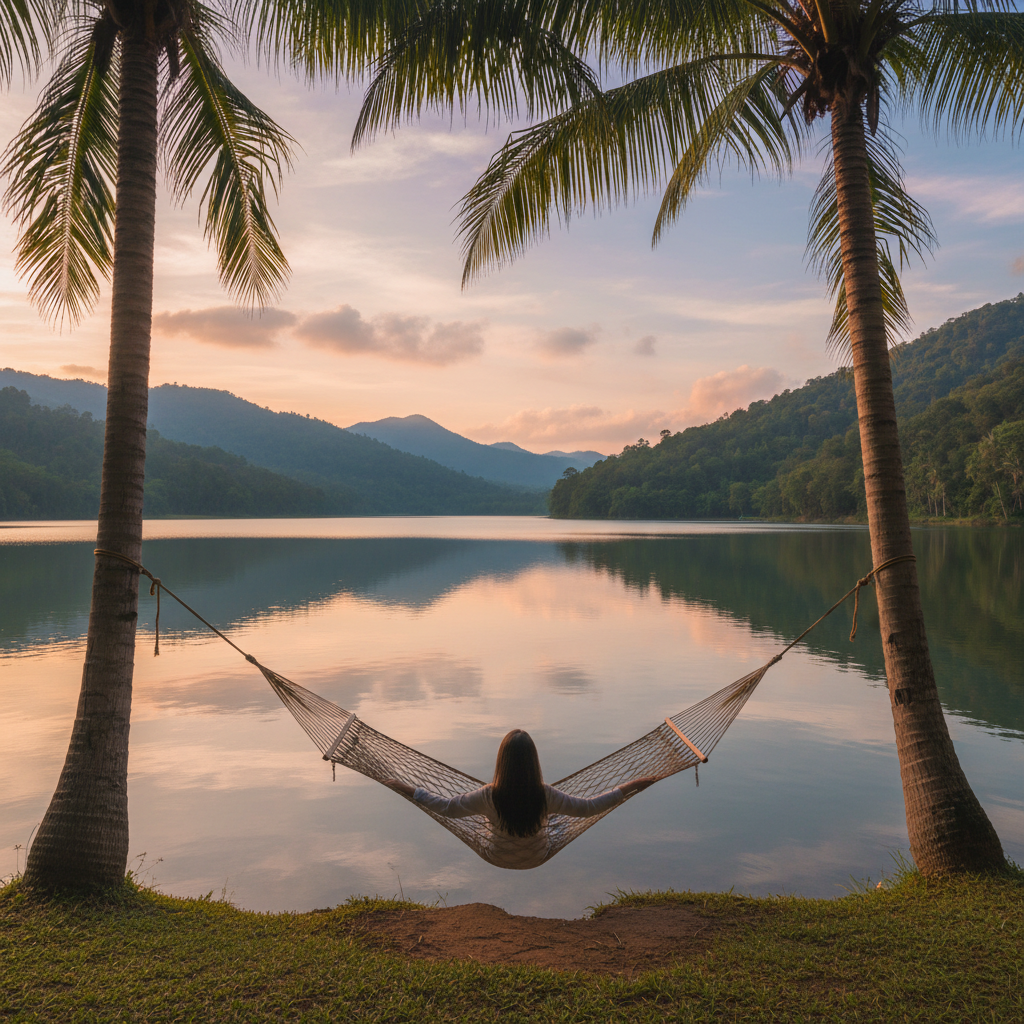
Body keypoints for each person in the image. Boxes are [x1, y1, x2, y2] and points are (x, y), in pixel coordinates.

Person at [384, 729, 658, 869]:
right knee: (560, 817)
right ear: (533, 762)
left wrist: (406, 788)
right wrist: (631, 785)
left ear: (501, 761)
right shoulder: (545, 794)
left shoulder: (488, 795)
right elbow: (588, 808)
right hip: (537, 855)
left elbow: (446, 807)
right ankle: (546, 822)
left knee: (482, 821)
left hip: (497, 855)